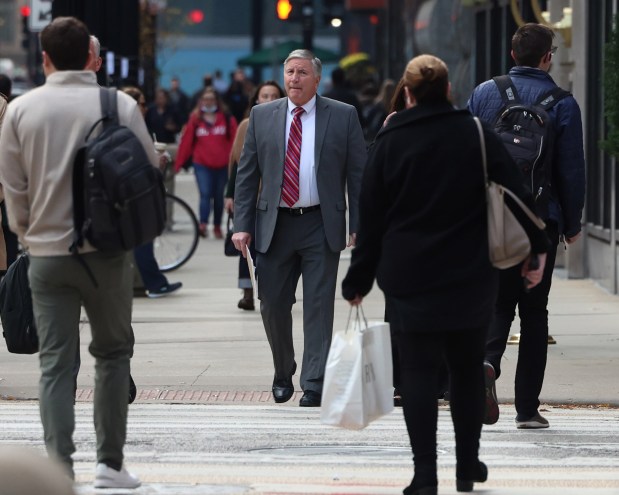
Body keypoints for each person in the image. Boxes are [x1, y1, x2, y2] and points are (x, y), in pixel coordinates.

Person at [341, 54, 549, 495]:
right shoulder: (474, 133)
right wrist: (537, 249)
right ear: (450, 89)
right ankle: (467, 464)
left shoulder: (390, 139)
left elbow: (371, 215)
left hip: (409, 276)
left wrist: (358, 278)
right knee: (466, 369)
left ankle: (425, 474)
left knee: (417, 374)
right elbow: (518, 192)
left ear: (410, 92)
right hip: (469, 274)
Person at [0, 17, 154, 488]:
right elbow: (146, 168)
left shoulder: (22, 110)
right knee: (112, 354)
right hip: (105, 252)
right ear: (93, 57)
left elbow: (13, 188)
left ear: (43, 58)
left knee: (55, 361)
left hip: (46, 253)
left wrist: (29, 235)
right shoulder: (119, 105)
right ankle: (109, 462)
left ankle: (59, 467)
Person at [232, 49, 367, 407]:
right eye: (290, 71)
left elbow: (358, 175)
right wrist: (241, 225)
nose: (294, 78)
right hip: (274, 224)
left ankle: (314, 381)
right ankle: (283, 369)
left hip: (321, 223)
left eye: (302, 72)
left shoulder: (342, 115)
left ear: (317, 78)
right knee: (272, 304)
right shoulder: (262, 116)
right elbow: (247, 176)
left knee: (319, 306)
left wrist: (359, 224)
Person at [468, 23, 586, 429]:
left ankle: (486, 363)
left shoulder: (485, 93)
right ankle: (527, 410)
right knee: (534, 311)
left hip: (493, 216)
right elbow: (571, 170)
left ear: (514, 55)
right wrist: (571, 223)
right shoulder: (563, 102)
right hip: (542, 219)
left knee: (498, 302)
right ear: (547, 57)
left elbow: (468, 154)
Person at [225, 80, 286, 311]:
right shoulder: (247, 125)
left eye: (274, 96)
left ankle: (270, 289)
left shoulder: (290, 124)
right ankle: (248, 291)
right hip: (253, 196)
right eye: (265, 96)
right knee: (246, 243)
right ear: (256, 100)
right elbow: (238, 164)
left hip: (277, 198)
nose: (269, 100)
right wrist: (230, 195)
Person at [123, 85, 183, 298]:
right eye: (141, 103)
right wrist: (158, 160)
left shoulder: (128, 125)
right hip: (136, 192)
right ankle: (154, 282)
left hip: (134, 191)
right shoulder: (130, 128)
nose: (145, 108)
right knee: (143, 238)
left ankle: (151, 281)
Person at [175, 86, 238, 239]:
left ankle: (217, 225)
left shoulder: (227, 118)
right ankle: (202, 224)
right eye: (206, 99)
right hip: (202, 164)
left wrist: (236, 162)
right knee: (205, 193)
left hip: (222, 165)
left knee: (218, 196)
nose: (208, 102)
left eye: (211, 99)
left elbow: (236, 141)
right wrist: (178, 164)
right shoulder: (195, 119)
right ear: (201, 101)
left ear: (216, 100)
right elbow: (187, 142)